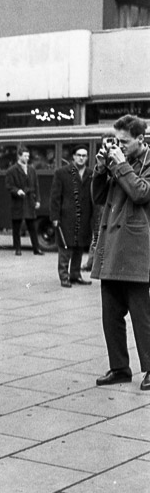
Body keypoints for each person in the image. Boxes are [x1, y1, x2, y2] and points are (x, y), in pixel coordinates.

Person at [91, 115, 150, 391]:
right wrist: (101, 168)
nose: (120, 146)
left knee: (142, 315)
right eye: (116, 141)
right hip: (114, 248)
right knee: (111, 312)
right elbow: (99, 197)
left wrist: (121, 164)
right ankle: (119, 367)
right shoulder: (118, 162)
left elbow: (140, 193)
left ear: (141, 139)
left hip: (138, 250)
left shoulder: (146, 162)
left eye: (124, 142)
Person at [49, 145, 94, 288]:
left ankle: (75, 275)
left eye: (84, 155)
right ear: (73, 157)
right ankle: (64, 276)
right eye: (79, 155)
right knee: (65, 247)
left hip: (84, 216)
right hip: (66, 216)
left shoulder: (90, 174)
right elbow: (55, 197)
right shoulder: (62, 173)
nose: (81, 158)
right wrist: (55, 217)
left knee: (79, 246)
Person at [5, 145, 43, 255]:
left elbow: (36, 186)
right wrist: (17, 191)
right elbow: (9, 186)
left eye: (28, 156)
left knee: (32, 226)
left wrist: (38, 200)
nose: (27, 158)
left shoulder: (31, 170)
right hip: (18, 201)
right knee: (16, 227)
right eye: (25, 156)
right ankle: (17, 248)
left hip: (29, 201)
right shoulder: (12, 170)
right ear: (19, 156)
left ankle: (36, 248)